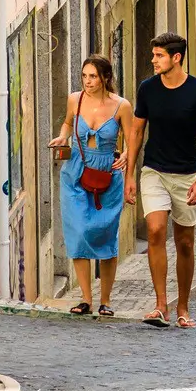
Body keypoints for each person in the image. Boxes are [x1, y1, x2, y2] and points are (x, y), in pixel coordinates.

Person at [124, 32, 196, 330]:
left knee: (185, 243)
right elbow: (136, 133)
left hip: (188, 173)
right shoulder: (147, 89)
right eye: (153, 55)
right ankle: (160, 304)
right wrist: (129, 175)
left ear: (176, 57)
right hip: (154, 170)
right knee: (154, 230)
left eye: (159, 55)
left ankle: (183, 306)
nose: (153, 60)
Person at [52, 55, 133, 316]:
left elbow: (132, 139)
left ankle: (105, 300)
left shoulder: (122, 106)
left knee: (106, 235)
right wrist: (63, 136)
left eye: (94, 76)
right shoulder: (75, 99)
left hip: (108, 174)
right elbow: (67, 121)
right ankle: (86, 298)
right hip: (76, 171)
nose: (88, 81)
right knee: (79, 232)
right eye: (85, 76)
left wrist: (127, 154)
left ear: (106, 78)